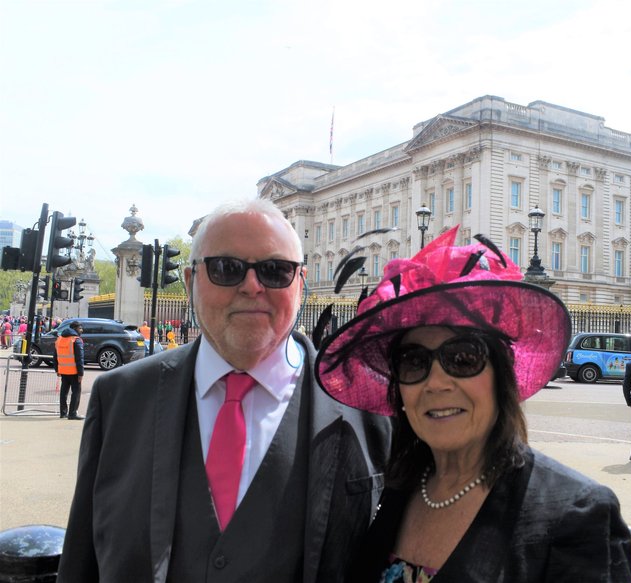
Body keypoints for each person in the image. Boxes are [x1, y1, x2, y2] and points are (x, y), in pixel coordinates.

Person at [57, 197, 392, 583]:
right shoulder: (119, 397)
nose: (252, 286)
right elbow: (82, 562)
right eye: (226, 269)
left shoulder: (368, 404)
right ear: (190, 281)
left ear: (299, 284)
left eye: (275, 270)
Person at [316, 227, 631, 582]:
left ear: (502, 377)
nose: (435, 382)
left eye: (463, 358)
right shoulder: (398, 489)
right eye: (413, 361)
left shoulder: (577, 516)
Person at [52, 321, 85, 420]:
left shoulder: (59, 339)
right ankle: (72, 413)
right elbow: (80, 358)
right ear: (74, 329)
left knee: (64, 392)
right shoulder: (76, 340)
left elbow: (55, 356)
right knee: (76, 392)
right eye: (80, 328)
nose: (81, 330)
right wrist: (81, 373)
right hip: (74, 371)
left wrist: (57, 369)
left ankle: (63, 413)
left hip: (63, 371)